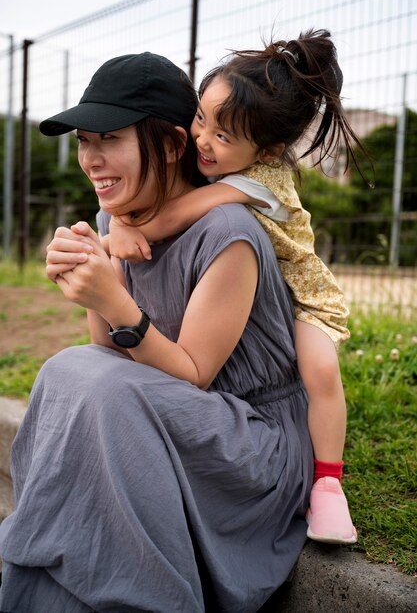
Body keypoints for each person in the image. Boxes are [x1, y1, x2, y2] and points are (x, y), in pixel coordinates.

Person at [0, 52, 313, 612]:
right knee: (67, 370)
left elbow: (193, 375)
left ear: (171, 145)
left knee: (92, 381)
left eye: (109, 139)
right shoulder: (112, 220)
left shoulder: (229, 233)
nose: (91, 160)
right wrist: (92, 277)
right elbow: (107, 357)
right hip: (167, 416)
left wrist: (114, 300)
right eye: (84, 141)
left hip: (251, 441)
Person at [100, 29, 364, 544]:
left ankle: (329, 485)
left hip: (306, 300)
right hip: (262, 295)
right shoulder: (220, 162)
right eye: (202, 118)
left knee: (320, 370)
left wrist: (121, 230)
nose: (202, 140)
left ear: (266, 149)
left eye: (223, 136)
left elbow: (177, 212)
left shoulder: (256, 181)